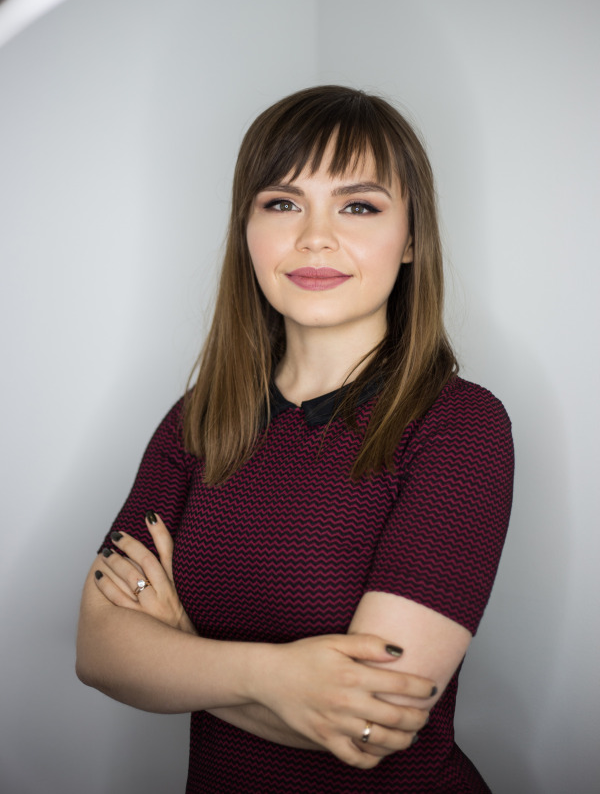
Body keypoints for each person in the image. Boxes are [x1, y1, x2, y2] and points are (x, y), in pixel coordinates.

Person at [76, 85, 513, 793]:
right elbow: (100, 651)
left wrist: (181, 653)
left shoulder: (459, 425)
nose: (315, 236)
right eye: (282, 203)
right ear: (245, 230)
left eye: (358, 206)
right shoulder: (198, 420)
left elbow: (372, 722)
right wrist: (275, 676)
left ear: (412, 240)